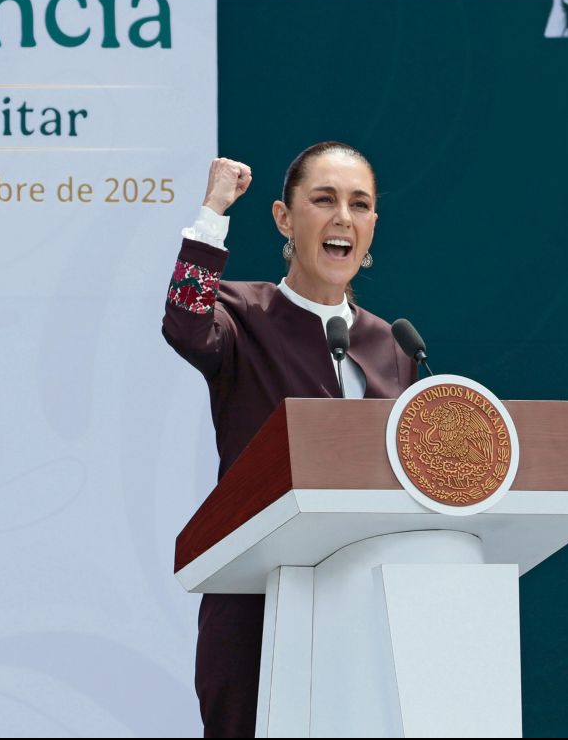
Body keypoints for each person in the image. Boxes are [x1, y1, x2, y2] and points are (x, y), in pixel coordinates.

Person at [162, 142, 419, 737]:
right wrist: (213, 211)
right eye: (323, 200)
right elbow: (185, 320)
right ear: (284, 218)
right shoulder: (242, 313)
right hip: (257, 605)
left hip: (362, 610)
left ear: (373, 226)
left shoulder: (394, 345)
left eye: (360, 205)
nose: (342, 219)